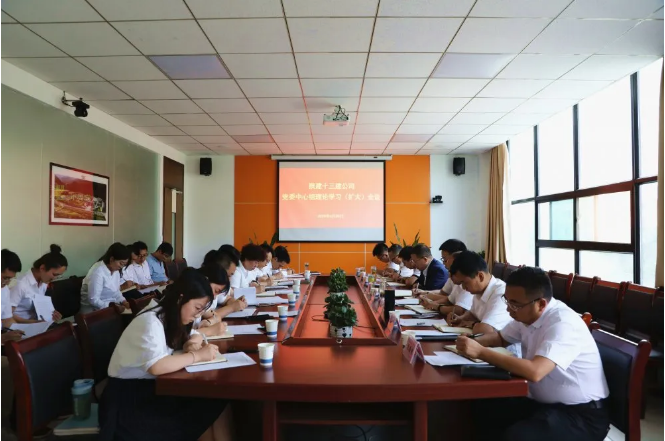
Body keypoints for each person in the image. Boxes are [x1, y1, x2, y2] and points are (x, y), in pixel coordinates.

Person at [456, 267, 610, 441]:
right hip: (541, 404)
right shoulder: (526, 314)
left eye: (515, 304)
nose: (509, 309)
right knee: (483, 407)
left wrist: (480, 352)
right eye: (507, 301)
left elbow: (535, 371)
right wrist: (469, 342)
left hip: (580, 415)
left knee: (517, 436)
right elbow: (500, 338)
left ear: (541, 304)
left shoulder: (562, 323)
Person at [101, 268, 228, 441]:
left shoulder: (171, 315)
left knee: (214, 401)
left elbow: (195, 334)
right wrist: (197, 356)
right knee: (204, 407)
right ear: (181, 298)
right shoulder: (150, 321)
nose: (198, 315)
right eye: (197, 308)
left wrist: (192, 343)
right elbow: (156, 366)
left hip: (153, 388)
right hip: (129, 401)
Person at [446, 251, 512, 336]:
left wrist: (470, 324)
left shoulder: (501, 293)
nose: (463, 287)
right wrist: (460, 318)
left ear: (480, 276)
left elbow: (485, 330)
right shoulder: (479, 290)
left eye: (465, 282)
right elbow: (473, 314)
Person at [10, 245, 65, 324]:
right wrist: (33, 322)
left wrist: (51, 313)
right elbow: (7, 314)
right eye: (54, 274)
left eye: (58, 276)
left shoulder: (43, 282)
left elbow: (39, 306)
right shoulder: (21, 284)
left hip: (36, 323)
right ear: (42, 268)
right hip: (20, 326)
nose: (54, 278)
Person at [80, 243, 131, 314]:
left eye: (124, 265)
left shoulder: (115, 270)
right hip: (93, 312)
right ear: (112, 259)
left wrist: (124, 302)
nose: (121, 267)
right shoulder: (97, 271)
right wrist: (114, 307)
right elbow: (94, 300)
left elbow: (116, 291)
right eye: (121, 263)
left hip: (110, 307)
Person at [420, 250, 474, 317]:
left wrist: (437, 306)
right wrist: (431, 303)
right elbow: (449, 300)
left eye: (452, 270)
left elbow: (459, 310)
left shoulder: (467, 284)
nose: (449, 274)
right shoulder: (457, 283)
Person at [1, 249, 24, 343]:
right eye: (5, 278)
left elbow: (7, 319)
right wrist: (2, 338)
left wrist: (21, 331)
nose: (7, 283)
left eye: (10, 279)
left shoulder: (4, 290)